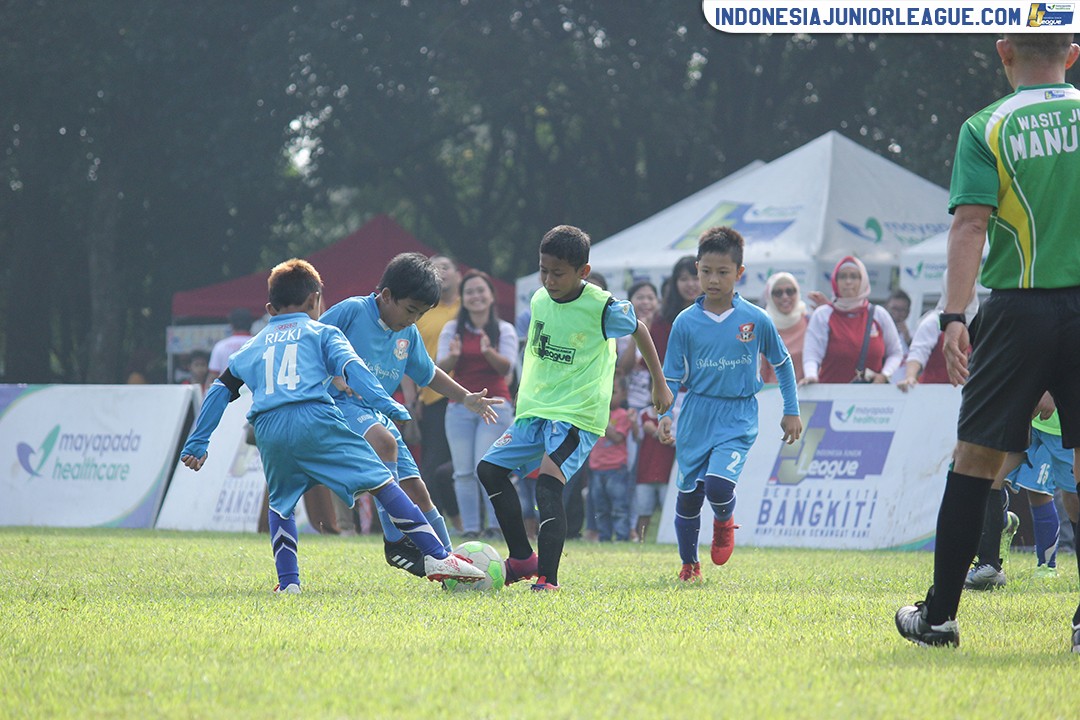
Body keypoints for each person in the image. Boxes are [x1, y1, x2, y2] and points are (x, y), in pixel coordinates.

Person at [895, 33, 1080, 652]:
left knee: (973, 461)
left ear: (1004, 52)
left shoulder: (986, 126)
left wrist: (953, 315)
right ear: (1072, 54)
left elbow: (971, 223)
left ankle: (940, 617)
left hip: (1016, 308)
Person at [178, 258, 485, 592]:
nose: (414, 319)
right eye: (412, 310)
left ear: (269, 307)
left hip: (270, 427)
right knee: (383, 475)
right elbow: (352, 368)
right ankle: (420, 550)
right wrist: (387, 402)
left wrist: (197, 442)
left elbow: (220, 389)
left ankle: (289, 583)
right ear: (316, 301)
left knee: (282, 505)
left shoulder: (254, 344)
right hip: (323, 415)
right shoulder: (327, 327)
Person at [477, 225, 673, 591]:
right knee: (489, 470)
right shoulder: (538, 300)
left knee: (548, 486)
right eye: (543, 270)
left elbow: (640, 329)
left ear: (582, 272)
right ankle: (521, 558)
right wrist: (524, 393)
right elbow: (536, 350)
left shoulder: (602, 307)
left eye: (558, 272)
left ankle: (547, 580)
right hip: (535, 409)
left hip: (576, 415)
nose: (549, 280)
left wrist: (659, 384)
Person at [319, 253, 502, 577]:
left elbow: (427, 373)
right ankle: (395, 543)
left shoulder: (407, 333)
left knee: (417, 489)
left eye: (421, 314)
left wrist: (465, 397)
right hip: (338, 405)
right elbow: (311, 342)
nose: (413, 319)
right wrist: (332, 373)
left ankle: (449, 561)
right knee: (385, 443)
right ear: (386, 295)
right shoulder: (353, 310)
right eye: (410, 310)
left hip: (376, 411)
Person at [657, 226, 802, 582]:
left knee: (719, 487)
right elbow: (671, 376)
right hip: (696, 413)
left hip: (738, 414)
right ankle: (689, 565)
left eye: (723, 272)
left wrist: (791, 410)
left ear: (739, 273)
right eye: (706, 271)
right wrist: (664, 414)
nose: (713, 279)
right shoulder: (685, 322)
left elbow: (782, 364)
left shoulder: (755, 319)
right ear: (697, 269)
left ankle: (724, 522)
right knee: (690, 494)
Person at [437, 270, 518, 540]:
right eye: (469, 292)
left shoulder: (504, 329)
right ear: (462, 298)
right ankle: (470, 528)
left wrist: (487, 352)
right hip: (459, 407)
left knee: (487, 467)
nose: (476, 296)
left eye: (481, 290)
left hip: (495, 405)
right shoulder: (452, 329)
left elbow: (508, 368)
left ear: (492, 296)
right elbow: (439, 368)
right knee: (462, 472)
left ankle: (496, 526)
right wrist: (453, 356)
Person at [966, 403, 1079, 589]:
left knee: (1054, 496)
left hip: (1061, 425)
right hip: (1025, 418)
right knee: (992, 479)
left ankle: (1046, 566)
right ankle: (989, 563)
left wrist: (1051, 391)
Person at [412, 254, 463, 528]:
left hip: (466, 396)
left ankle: (466, 520)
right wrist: (413, 399)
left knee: (462, 466)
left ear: (458, 275)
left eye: (446, 267)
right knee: (431, 466)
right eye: (435, 268)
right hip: (431, 397)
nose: (441, 272)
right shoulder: (420, 310)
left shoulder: (468, 307)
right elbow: (404, 356)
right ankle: (434, 521)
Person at [801, 256, 903, 385]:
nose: (848, 281)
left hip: (871, 398)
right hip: (830, 396)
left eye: (854, 277)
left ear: (863, 281)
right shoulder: (823, 315)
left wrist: (885, 375)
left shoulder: (878, 314)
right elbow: (812, 353)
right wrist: (811, 375)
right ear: (835, 281)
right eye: (843, 277)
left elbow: (895, 352)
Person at [896, 278, 979, 391]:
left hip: (967, 393)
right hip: (933, 393)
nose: (963, 291)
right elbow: (918, 352)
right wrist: (910, 377)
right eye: (957, 288)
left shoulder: (978, 320)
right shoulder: (934, 321)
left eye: (968, 286)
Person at [589, 375, 632, 542]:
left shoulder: (623, 415)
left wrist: (602, 419)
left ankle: (622, 537)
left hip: (616, 469)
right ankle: (604, 537)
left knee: (619, 507)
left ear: (623, 395)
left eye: (613, 392)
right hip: (597, 468)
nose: (608, 395)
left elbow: (617, 438)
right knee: (600, 508)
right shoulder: (595, 413)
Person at [633, 403, 676, 541]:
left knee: (669, 511)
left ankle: (669, 539)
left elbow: (675, 440)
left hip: (666, 472)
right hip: (646, 469)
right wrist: (634, 423)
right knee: (643, 511)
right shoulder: (643, 414)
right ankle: (641, 540)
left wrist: (655, 432)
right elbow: (636, 437)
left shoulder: (676, 414)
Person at [760, 272, 809, 384]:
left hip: (809, 396)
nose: (785, 297)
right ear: (769, 297)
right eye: (778, 293)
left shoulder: (809, 322)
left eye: (790, 291)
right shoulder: (764, 328)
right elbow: (761, 372)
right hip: (774, 396)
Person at [207, 308, 253, 386]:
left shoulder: (220, 346)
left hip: (227, 394)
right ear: (251, 324)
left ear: (231, 325)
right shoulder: (259, 344)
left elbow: (213, 376)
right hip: (252, 393)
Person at [886, 288, 914, 352]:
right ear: (886, 308)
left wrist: (908, 340)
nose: (897, 313)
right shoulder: (877, 331)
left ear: (908, 312)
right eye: (894, 309)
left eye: (901, 310)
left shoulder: (914, 334)